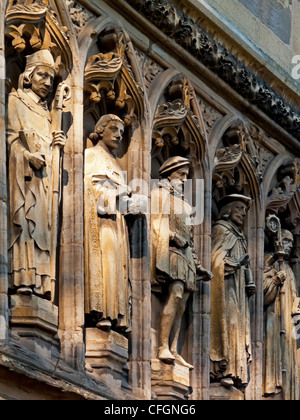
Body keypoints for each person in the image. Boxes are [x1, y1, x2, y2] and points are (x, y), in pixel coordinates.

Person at [8, 50, 66, 300]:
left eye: (51, 79)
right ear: (28, 76)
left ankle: (42, 283)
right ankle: (23, 279)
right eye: (42, 75)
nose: (47, 83)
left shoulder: (46, 113)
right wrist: (26, 156)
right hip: (24, 178)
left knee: (42, 228)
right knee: (26, 226)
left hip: (43, 181)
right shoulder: (16, 100)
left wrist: (56, 147)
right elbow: (10, 137)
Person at [84, 114, 146, 332]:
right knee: (106, 263)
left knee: (118, 268)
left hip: (117, 222)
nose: (119, 135)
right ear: (100, 130)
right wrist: (116, 195)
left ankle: (117, 316)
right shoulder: (90, 155)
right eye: (114, 129)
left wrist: (131, 206)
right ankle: (101, 313)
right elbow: (87, 189)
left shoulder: (117, 166)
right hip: (100, 223)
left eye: (121, 131)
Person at [151, 156, 213, 369]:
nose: (184, 179)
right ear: (169, 174)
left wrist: (198, 265)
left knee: (182, 305)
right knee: (175, 295)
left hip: (185, 256)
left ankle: (174, 348)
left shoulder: (186, 206)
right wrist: (172, 236)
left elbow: (192, 239)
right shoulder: (159, 195)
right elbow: (155, 223)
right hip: (171, 252)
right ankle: (162, 346)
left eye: (186, 175)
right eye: (181, 174)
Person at [210, 194, 256, 388]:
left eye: (245, 212)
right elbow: (214, 259)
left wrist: (248, 279)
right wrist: (235, 264)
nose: (243, 214)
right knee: (228, 324)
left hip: (238, 291)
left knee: (238, 327)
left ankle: (236, 372)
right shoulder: (221, 229)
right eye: (239, 209)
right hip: (225, 287)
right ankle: (224, 369)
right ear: (228, 210)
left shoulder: (240, 236)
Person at [263, 229, 300, 400]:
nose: (290, 245)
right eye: (286, 241)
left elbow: (292, 295)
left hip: (288, 322)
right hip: (273, 319)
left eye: (292, 243)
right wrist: (275, 281)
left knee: (288, 359)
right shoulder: (268, 260)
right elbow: (260, 293)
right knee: (274, 357)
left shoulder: (290, 271)